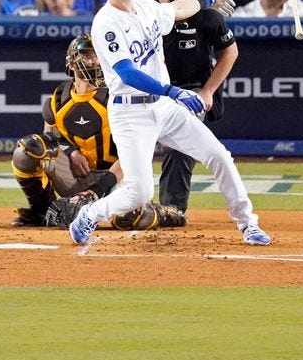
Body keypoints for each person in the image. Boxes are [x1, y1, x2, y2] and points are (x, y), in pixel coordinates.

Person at [64, 0, 271, 247]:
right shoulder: (106, 22)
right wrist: (172, 91)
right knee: (139, 193)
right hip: (131, 113)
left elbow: (178, 10)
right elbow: (127, 73)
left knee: (219, 156)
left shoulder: (147, 7)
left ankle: (248, 223)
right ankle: (90, 214)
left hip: (163, 107)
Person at [11, 33, 184, 228]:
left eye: (97, 55)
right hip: (76, 177)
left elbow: (137, 152)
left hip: (116, 178)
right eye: (87, 55)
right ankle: (41, 211)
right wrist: (72, 152)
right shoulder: (58, 99)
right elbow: (52, 139)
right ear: (71, 63)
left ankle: (160, 212)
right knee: (28, 149)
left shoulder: (120, 95)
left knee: (130, 217)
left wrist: (97, 189)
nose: (94, 61)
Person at [144, 0, 237, 219]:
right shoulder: (143, 10)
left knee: (181, 140)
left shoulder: (206, 15)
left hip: (191, 88)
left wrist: (208, 90)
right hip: (151, 88)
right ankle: (110, 201)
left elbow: (230, 51)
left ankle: (172, 208)